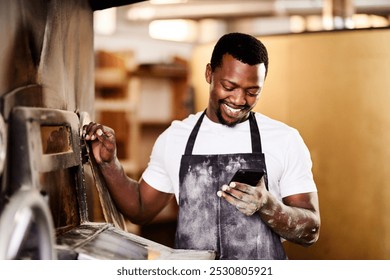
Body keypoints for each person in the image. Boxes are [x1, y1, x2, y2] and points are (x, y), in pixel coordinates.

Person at [83, 32, 320, 260]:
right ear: (209, 74)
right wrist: (108, 163)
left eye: (252, 92)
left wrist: (268, 206)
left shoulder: (284, 139)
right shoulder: (176, 138)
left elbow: (311, 230)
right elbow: (141, 209)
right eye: (229, 87)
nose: (239, 100)